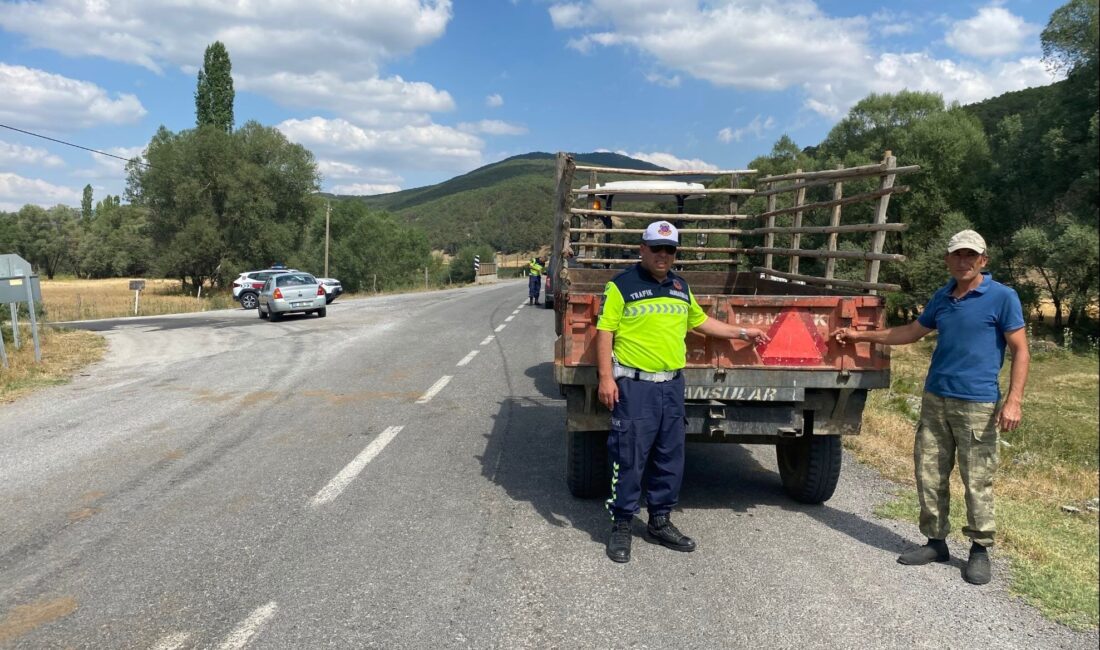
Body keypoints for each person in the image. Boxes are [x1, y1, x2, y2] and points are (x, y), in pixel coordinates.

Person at [831, 230, 1029, 585]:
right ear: (948, 260)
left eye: (971, 255)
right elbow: (909, 332)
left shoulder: (1002, 297)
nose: (964, 261)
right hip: (936, 398)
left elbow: (1021, 350)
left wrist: (1013, 401)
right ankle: (936, 543)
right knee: (929, 473)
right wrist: (861, 336)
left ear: (983, 260)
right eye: (958, 255)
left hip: (978, 403)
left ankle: (979, 550)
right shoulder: (943, 297)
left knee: (977, 479)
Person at [597, 220, 769, 563]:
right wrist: (605, 378)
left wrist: (741, 332)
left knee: (669, 456)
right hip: (635, 386)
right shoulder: (621, 286)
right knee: (629, 457)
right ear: (642, 249)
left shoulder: (679, 286)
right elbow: (605, 332)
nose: (663, 255)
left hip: (672, 386)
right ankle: (622, 524)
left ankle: (660, 521)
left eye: (670, 249)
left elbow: (701, 321)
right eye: (656, 248)